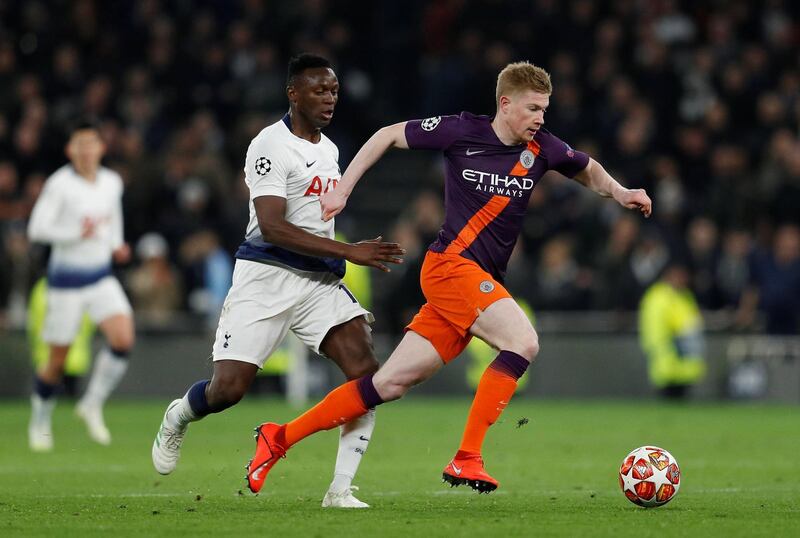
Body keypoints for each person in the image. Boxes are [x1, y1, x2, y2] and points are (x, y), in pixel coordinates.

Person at [243, 61, 652, 497]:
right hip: (450, 266)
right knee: (523, 342)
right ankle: (467, 457)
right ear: (505, 103)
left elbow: (586, 168)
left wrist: (621, 192)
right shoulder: (461, 131)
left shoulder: (544, 148)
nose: (540, 118)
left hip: (473, 280)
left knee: (388, 384)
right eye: (533, 108)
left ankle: (279, 436)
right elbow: (387, 135)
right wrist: (343, 189)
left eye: (544, 110)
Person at [150, 53, 404, 509]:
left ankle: (340, 490)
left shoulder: (328, 150)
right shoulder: (269, 146)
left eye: (333, 91)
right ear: (293, 93)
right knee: (227, 391)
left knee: (368, 377)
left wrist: (336, 247)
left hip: (315, 284)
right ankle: (178, 415)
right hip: (265, 277)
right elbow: (273, 226)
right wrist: (349, 250)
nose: (329, 99)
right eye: (319, 90)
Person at [27, 120, 135, 451]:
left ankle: (92, 403)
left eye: (92, 144)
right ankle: (41, 417)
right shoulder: (60, 185)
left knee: (123, 339)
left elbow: (113, 219)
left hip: (100, 276)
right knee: (57, 360)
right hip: (66, 283)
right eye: (80, 145)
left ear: (101, 148)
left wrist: (116, 243)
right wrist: (76, 234)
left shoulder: (111, 182)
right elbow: (36, 229)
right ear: (70, 151)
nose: (86, 150)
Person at [638, 261, 707, 399]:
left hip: (684, 354)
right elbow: (655, 326)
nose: (682, 280)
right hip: (667, 352)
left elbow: (692, 321)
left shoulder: (685, 295)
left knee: (682, 394)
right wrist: (662, 345)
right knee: (668, 393)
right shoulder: (658, 296)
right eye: (678, 276)